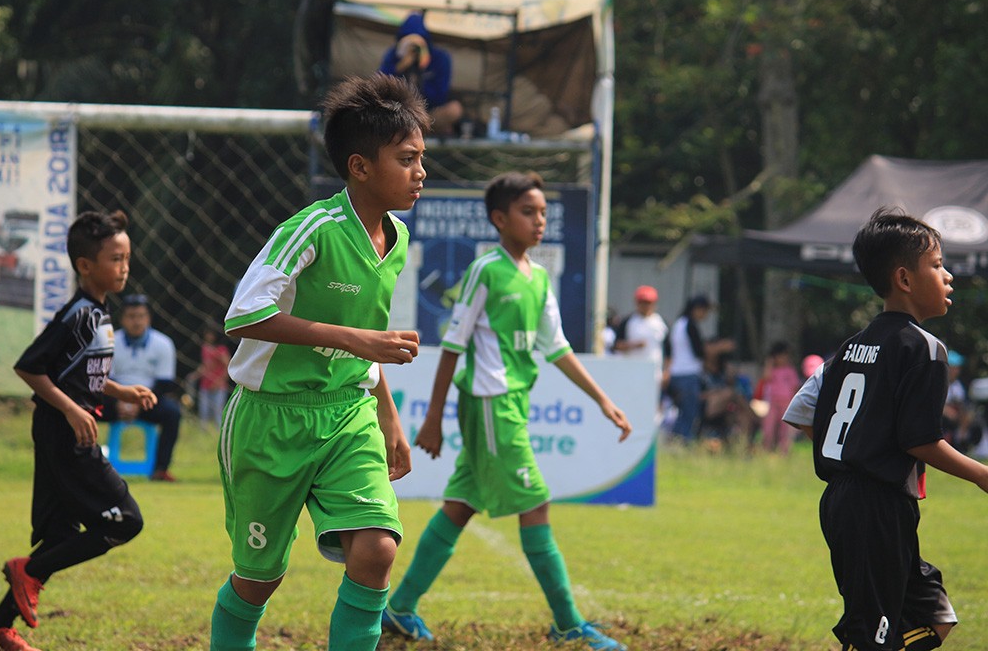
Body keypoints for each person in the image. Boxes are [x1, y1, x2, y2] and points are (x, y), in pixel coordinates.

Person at [209, 73, 430, 651]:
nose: (420, 171)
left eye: (421, 158)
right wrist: (357, 340)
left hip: (346, 415)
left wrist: (390, 421)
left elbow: (371, 339)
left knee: (377, 547)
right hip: (269, 420)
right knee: (259, 579)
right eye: (406, 159)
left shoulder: (398, 239)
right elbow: (243, 316)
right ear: (360, 166)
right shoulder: (311, 228)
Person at [382, 171, 633, 650]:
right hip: (489, 404)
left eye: (543, 213)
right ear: (499, 219)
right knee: (535, 502)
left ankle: (401, 608)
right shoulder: (486, 272)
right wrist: (433, 417)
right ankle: (567, 623)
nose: (539, 221)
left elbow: (557, 348)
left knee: (459, 507)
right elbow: (453, 345)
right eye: (527, 212)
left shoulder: (537, 278)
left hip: (510, 405)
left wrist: (603, 400)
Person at [783, 207, 988, 651]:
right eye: (937, 265)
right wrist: (980, 474)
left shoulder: (851, 346)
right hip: (875, 506)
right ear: (905, 279)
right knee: (872, 633)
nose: (949, 275)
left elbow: (801, 411)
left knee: (936, 618)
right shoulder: (925, 349)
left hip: (850, 501)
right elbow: (920, 441)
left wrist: (854, 451)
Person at [0, 210, 156, 651]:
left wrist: (119, 390)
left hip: (67, 429)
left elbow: (78, 372)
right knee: (125, 521)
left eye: (127, 257)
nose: (125, 266)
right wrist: (75, 410)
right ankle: (29, 573)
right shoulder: (78, 314)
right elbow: (31, 367)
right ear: (85, 266)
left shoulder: (99, 312)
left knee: (59, 537)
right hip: (67, 435)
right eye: (116, 258)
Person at [100, 294, 183, 482]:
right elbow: (103, 378)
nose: (136, 321)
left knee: (172, 413)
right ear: (122, 318)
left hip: (148, 401)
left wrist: (138, 401)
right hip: (114, 399)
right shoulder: (109, 341)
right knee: (82, 408)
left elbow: (165, 383)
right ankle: (84, 466)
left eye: (141, 316)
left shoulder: (163, 344)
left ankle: (160, 469)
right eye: (131, 316)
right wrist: (121, 399)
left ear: (148, 318)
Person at [378, 12, 464, 135]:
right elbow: (379, 86)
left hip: (428, 113)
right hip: (398, 112)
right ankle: (414, 131)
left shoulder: (439, 58)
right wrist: (400, 67)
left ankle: (418, 130)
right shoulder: (393, 55)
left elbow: (440, 94)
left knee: (454, 110)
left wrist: (421, 71)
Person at [663, 294, 733, 441]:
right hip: (688, 374)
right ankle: (683, 440)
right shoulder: (690, 325)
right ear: (697, 309)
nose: (705, 315)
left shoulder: (678, 323)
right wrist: (718, 348)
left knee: (682, 411)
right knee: (689, 411)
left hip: (676, 373)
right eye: (705, 311)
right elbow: (698, 352)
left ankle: (676, 440)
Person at [756, 341, 801, 454]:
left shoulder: (790, 371)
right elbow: (765, 377)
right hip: (772, 404)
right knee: (768, 429)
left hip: (787, 405)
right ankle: (766, 449)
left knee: (785, 431)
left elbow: (795, 387)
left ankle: (783, 452)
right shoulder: (772, 371)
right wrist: (769, 363)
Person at [192, 324, 230, 427]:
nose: (208, 336)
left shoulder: (221, 350)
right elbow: (205, 366)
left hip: (218, 386)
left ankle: (218, 436)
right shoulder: (205, 348)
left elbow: (228, 366)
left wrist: (219, 382)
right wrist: (194, 376)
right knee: (203, 412)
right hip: (205, 385)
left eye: (210, 334)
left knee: (218, 414)